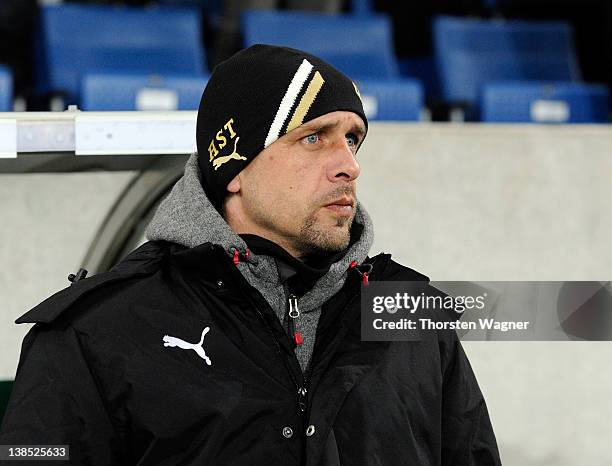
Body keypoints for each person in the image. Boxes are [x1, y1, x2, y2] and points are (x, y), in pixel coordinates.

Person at [0, 45, 501, 465]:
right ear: (232, 167)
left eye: (352, 140)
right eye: (312, 138)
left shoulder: (412, 313)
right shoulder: (96, 330)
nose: (349, 165)